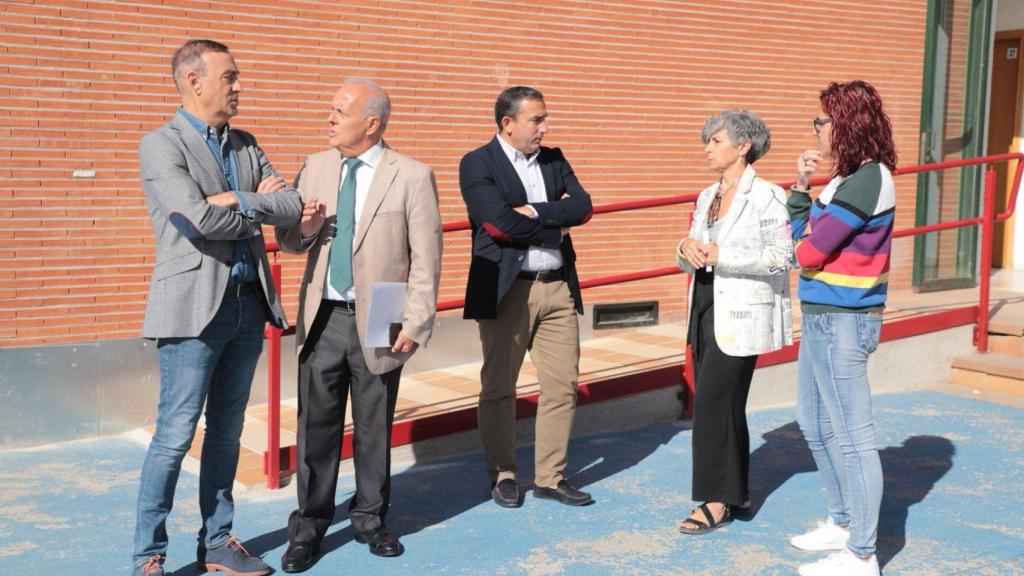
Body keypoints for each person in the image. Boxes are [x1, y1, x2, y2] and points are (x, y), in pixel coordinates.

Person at [132, 39, 304, 576]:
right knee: (175, 436)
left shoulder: (246, 144)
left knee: (227, 432)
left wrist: (236, 199)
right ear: (194, 81)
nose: (238, 86)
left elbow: (292, 205)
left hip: (247, 305)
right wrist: (257, 206)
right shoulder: (161, 145)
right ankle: (148, 556)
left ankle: (218, 542)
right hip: (191, 310)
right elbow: (198, 220)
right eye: (229, 77)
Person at [274, 78, 442, 573]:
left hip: (384, 314)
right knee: (315, 429)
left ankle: (370, 518)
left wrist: (417, 321)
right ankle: (308, 527)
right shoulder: (315, 167)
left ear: (371, 123)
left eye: (339, 112)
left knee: (374, 425)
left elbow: (426, 257)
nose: (329, 119)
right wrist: (304, 230)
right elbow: (289, 241)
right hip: (323, 316)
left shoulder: (412, 175)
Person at [459, 86, 593, 508]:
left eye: (544, 119)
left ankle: (550, 478)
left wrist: (535, 212)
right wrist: (557, 223)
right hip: (505, 289)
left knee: (563, 386)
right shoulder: (477, 163)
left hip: (557, 286)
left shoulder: (554, 158)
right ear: (508, 123)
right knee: (500, 387)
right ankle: (503, 474)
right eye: (537, 120)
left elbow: (584, 206)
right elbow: (498, 225)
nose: (544, 128)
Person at [786, 80, 897, 576]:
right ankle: (844, 520)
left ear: (848, 123)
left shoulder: (869, 179)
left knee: (853, 436)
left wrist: (803, 241)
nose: (818, 128)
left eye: (823, 120)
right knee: (813, 422)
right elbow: (803, 240)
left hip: (845, 320)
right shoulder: (845, 179)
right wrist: (801, 187)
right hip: (822, 315)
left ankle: (862, 554)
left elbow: (808, 251)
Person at [675, 110, 793, 535]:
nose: (707, 149)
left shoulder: (768, 195)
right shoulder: (708, 194)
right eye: (707, 141)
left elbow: (782, 258)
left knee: (711, 402)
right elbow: (692, 248)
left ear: (743, 147)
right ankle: (737, 493)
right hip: (705, 304)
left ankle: (715, 500)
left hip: (741, 311)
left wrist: (724, 256)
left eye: (716, 141)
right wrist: (685, 248)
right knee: (725, 405)